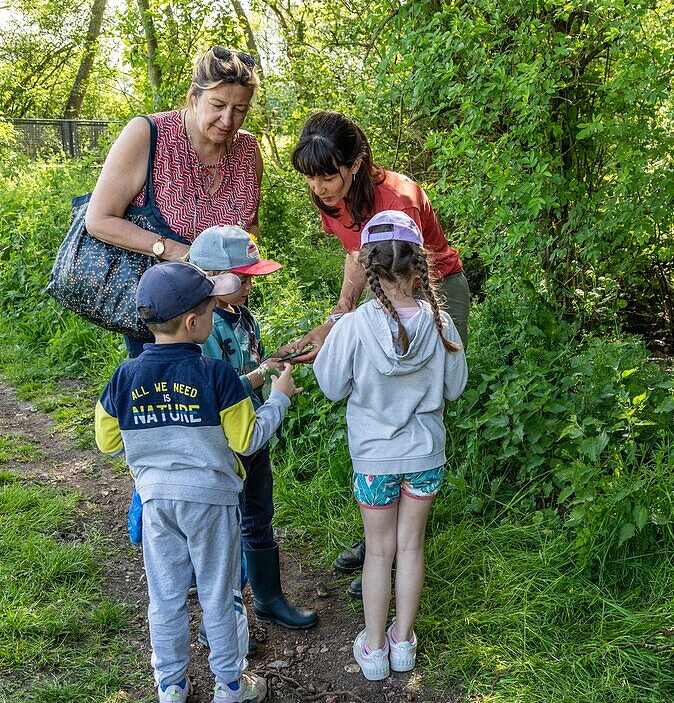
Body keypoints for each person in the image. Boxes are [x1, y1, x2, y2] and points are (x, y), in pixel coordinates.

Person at [94, 261, 300, 703]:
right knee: (220, 594)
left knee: (165, 597)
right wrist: (278, 399)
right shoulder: (215, 375)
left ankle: (170, 686)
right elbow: (248, 439)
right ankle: (230, 687)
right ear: (193, 322)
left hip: (157, 503)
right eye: (210, 309)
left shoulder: (125, 376)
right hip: (211, 502)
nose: (213, 315)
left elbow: (107, 439)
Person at [287, 109, 470, 591]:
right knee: (386, 395)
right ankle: (380, 542)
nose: (318, 187)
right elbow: (357, 257)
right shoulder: (335, 199)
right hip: (385, 286)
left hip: (431, 287)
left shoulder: (397, 201)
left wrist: (353, 331)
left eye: (327, 175)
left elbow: (409, 274)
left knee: (417, 396)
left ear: (357, 162)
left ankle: (391, 548)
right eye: (310, 176)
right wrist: (337, 319)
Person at [313, 212, 468, 681]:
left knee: (378, 552)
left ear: (367, 266)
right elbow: (455, 388)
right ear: (419, 265)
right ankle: (404, 643)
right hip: (424, 457)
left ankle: (374, 649)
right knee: (411, 547)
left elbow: (332, 386)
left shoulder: (355, 326)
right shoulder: (441, 324)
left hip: (375, 460)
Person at [85, 45, 263, 358]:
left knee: (230, 393)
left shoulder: (248, 150)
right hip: (163, 315)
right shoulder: (148, 134)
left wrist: (238, 276)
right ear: (194, 95)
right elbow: (99, 219)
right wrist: (179, 252)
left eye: (240, 110)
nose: (227, 119)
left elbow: (251, 226)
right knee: (171, 399)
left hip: (223, 308)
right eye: (218, 104)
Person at [188, 226, 319, 633]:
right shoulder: (199, 329)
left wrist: (274, 360)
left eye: (251, 277)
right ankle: (228, 616)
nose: (248, 285)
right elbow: (214, 390)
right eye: (241, 278)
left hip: (254, 435)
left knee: (259, 516)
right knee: (224, 528)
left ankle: (268, 599)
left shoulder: (243, 315)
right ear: (211, 278)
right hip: (222, 445)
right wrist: (263, 377)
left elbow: (251, 364)